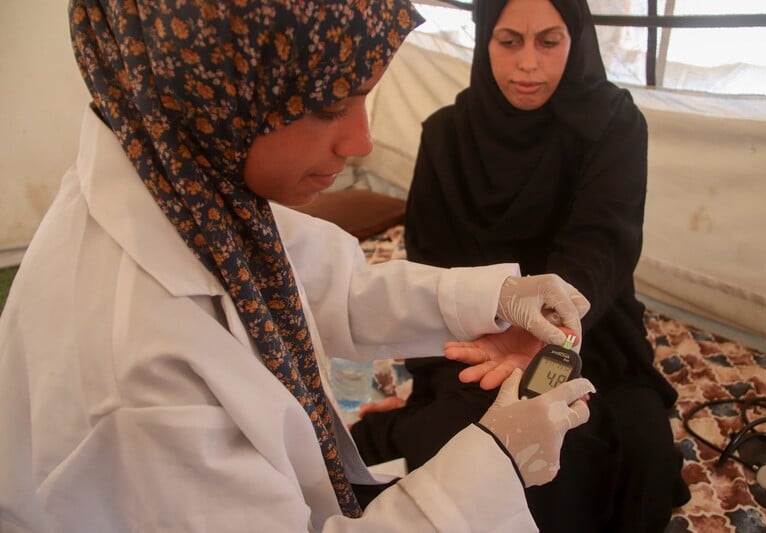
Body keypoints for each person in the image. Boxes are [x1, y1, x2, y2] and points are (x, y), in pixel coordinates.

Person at [0, 0, 598, 531]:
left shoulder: (186, 181)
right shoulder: (136, 380)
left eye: (367, 94)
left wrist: (496, 300)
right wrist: (497, 459)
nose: (362, 140)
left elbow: (328, 285)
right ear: (213, 90)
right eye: (331, 103)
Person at [349, 0, 692, 531]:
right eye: (509, 42)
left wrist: (552, 325)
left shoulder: (613, 124)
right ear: (485, 41)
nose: (527, 64)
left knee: (634, 450)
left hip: (587, 324)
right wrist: (488, 333)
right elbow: (430, 265)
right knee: (472, 447)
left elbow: (602, 242)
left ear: (575, 40)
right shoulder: (446, 135)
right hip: (481, 333)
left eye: (549, 42)